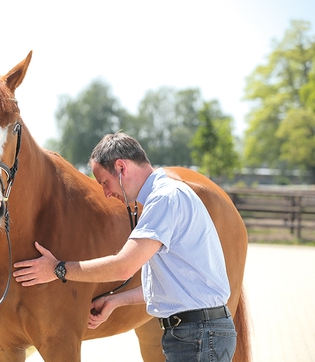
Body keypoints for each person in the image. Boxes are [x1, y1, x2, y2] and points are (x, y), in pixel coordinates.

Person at [13, 133, 237, 361]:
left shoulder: (164, 199)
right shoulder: (167, 196)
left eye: (105, 183)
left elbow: (123, 267)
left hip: (197, 337)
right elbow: (172, 287)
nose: (107, 193)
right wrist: (115, 300)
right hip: (196, 334)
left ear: (121, 167)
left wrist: (56, 269)